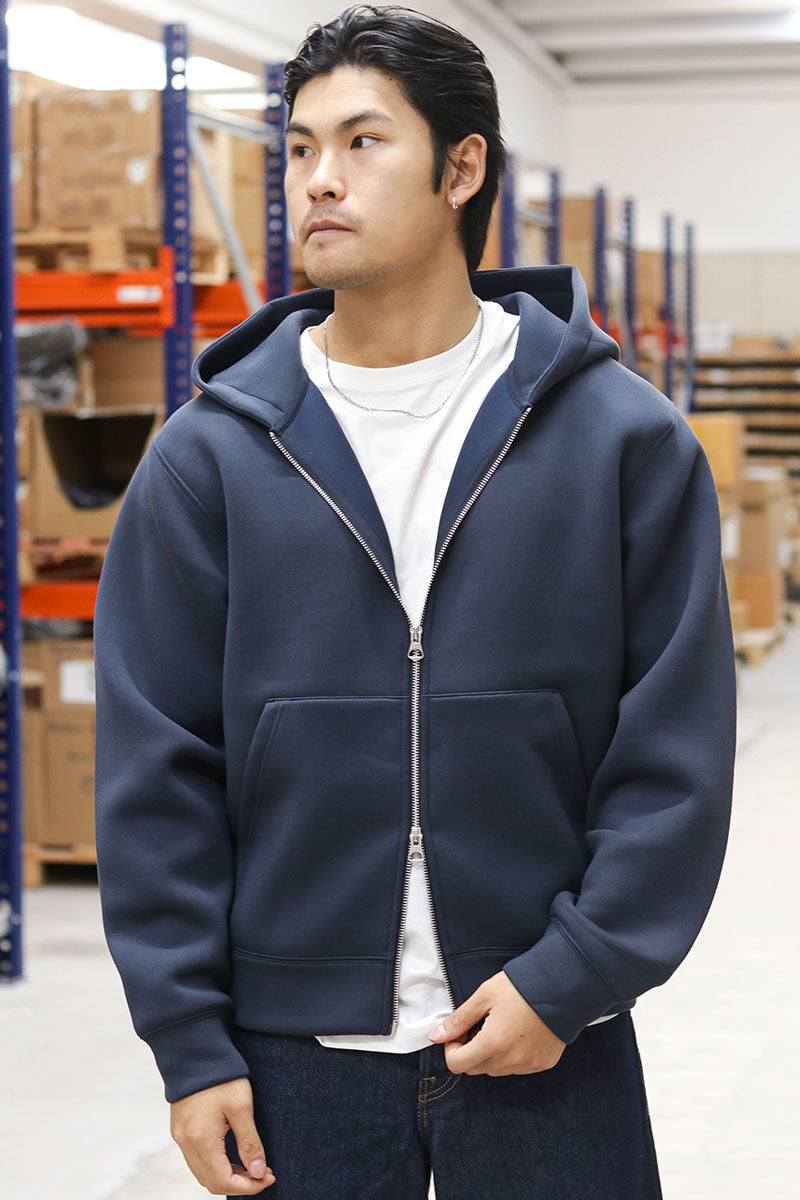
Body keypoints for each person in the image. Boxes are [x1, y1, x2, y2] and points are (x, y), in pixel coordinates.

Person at [93, 5, 737, 1197]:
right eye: (298, 147)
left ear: (460, 168)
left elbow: (673, 753)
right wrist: (188, 1041)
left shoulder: (621, 442)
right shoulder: (207, 459)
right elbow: (155, 767)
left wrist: (572, 975)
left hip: (549, 1036)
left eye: (361, 141)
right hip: (293, 1061)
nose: (317, 179)